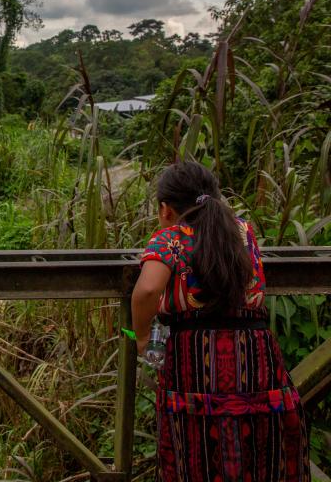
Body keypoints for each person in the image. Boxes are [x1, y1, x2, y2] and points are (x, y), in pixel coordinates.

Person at [131, 161, 309, 481]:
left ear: (165, 209)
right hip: (253, 353)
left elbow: (146, 290)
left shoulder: (170, 239)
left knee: (195, 447)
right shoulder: (243, 231)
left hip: (196, 359)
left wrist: (143, 336)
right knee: (256, 445)